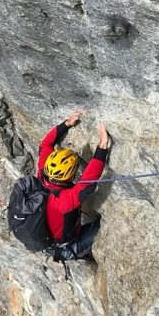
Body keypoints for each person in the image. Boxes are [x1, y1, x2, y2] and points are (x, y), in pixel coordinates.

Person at [38, 110, 109, 260]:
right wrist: (102, 146)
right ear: (71, 175)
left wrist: (68, 123)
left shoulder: (41, 177)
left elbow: (46, 144)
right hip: (66, 248)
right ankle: (86, 253)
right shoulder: (63, 201)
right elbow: (87, 183)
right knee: (107, 229)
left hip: (51, 239)